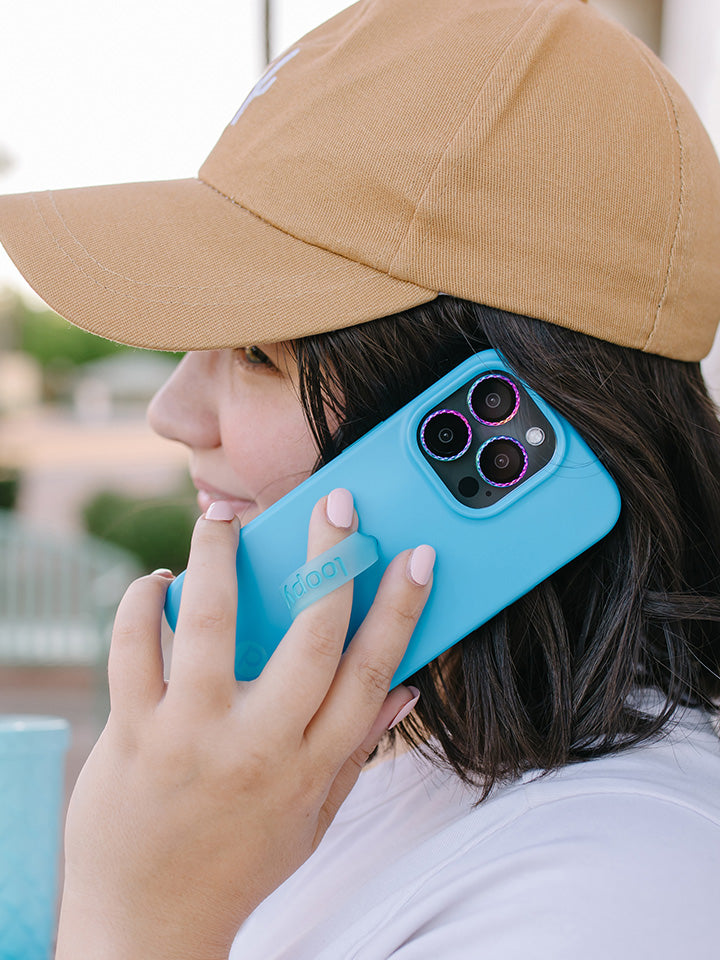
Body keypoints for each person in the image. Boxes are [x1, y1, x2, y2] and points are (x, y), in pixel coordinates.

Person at [1, 0, 720, 956]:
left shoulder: (610, 896)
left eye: (257, 353)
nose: (171, 412)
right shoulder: (378, 750)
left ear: (513, 415)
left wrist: (136, 918)